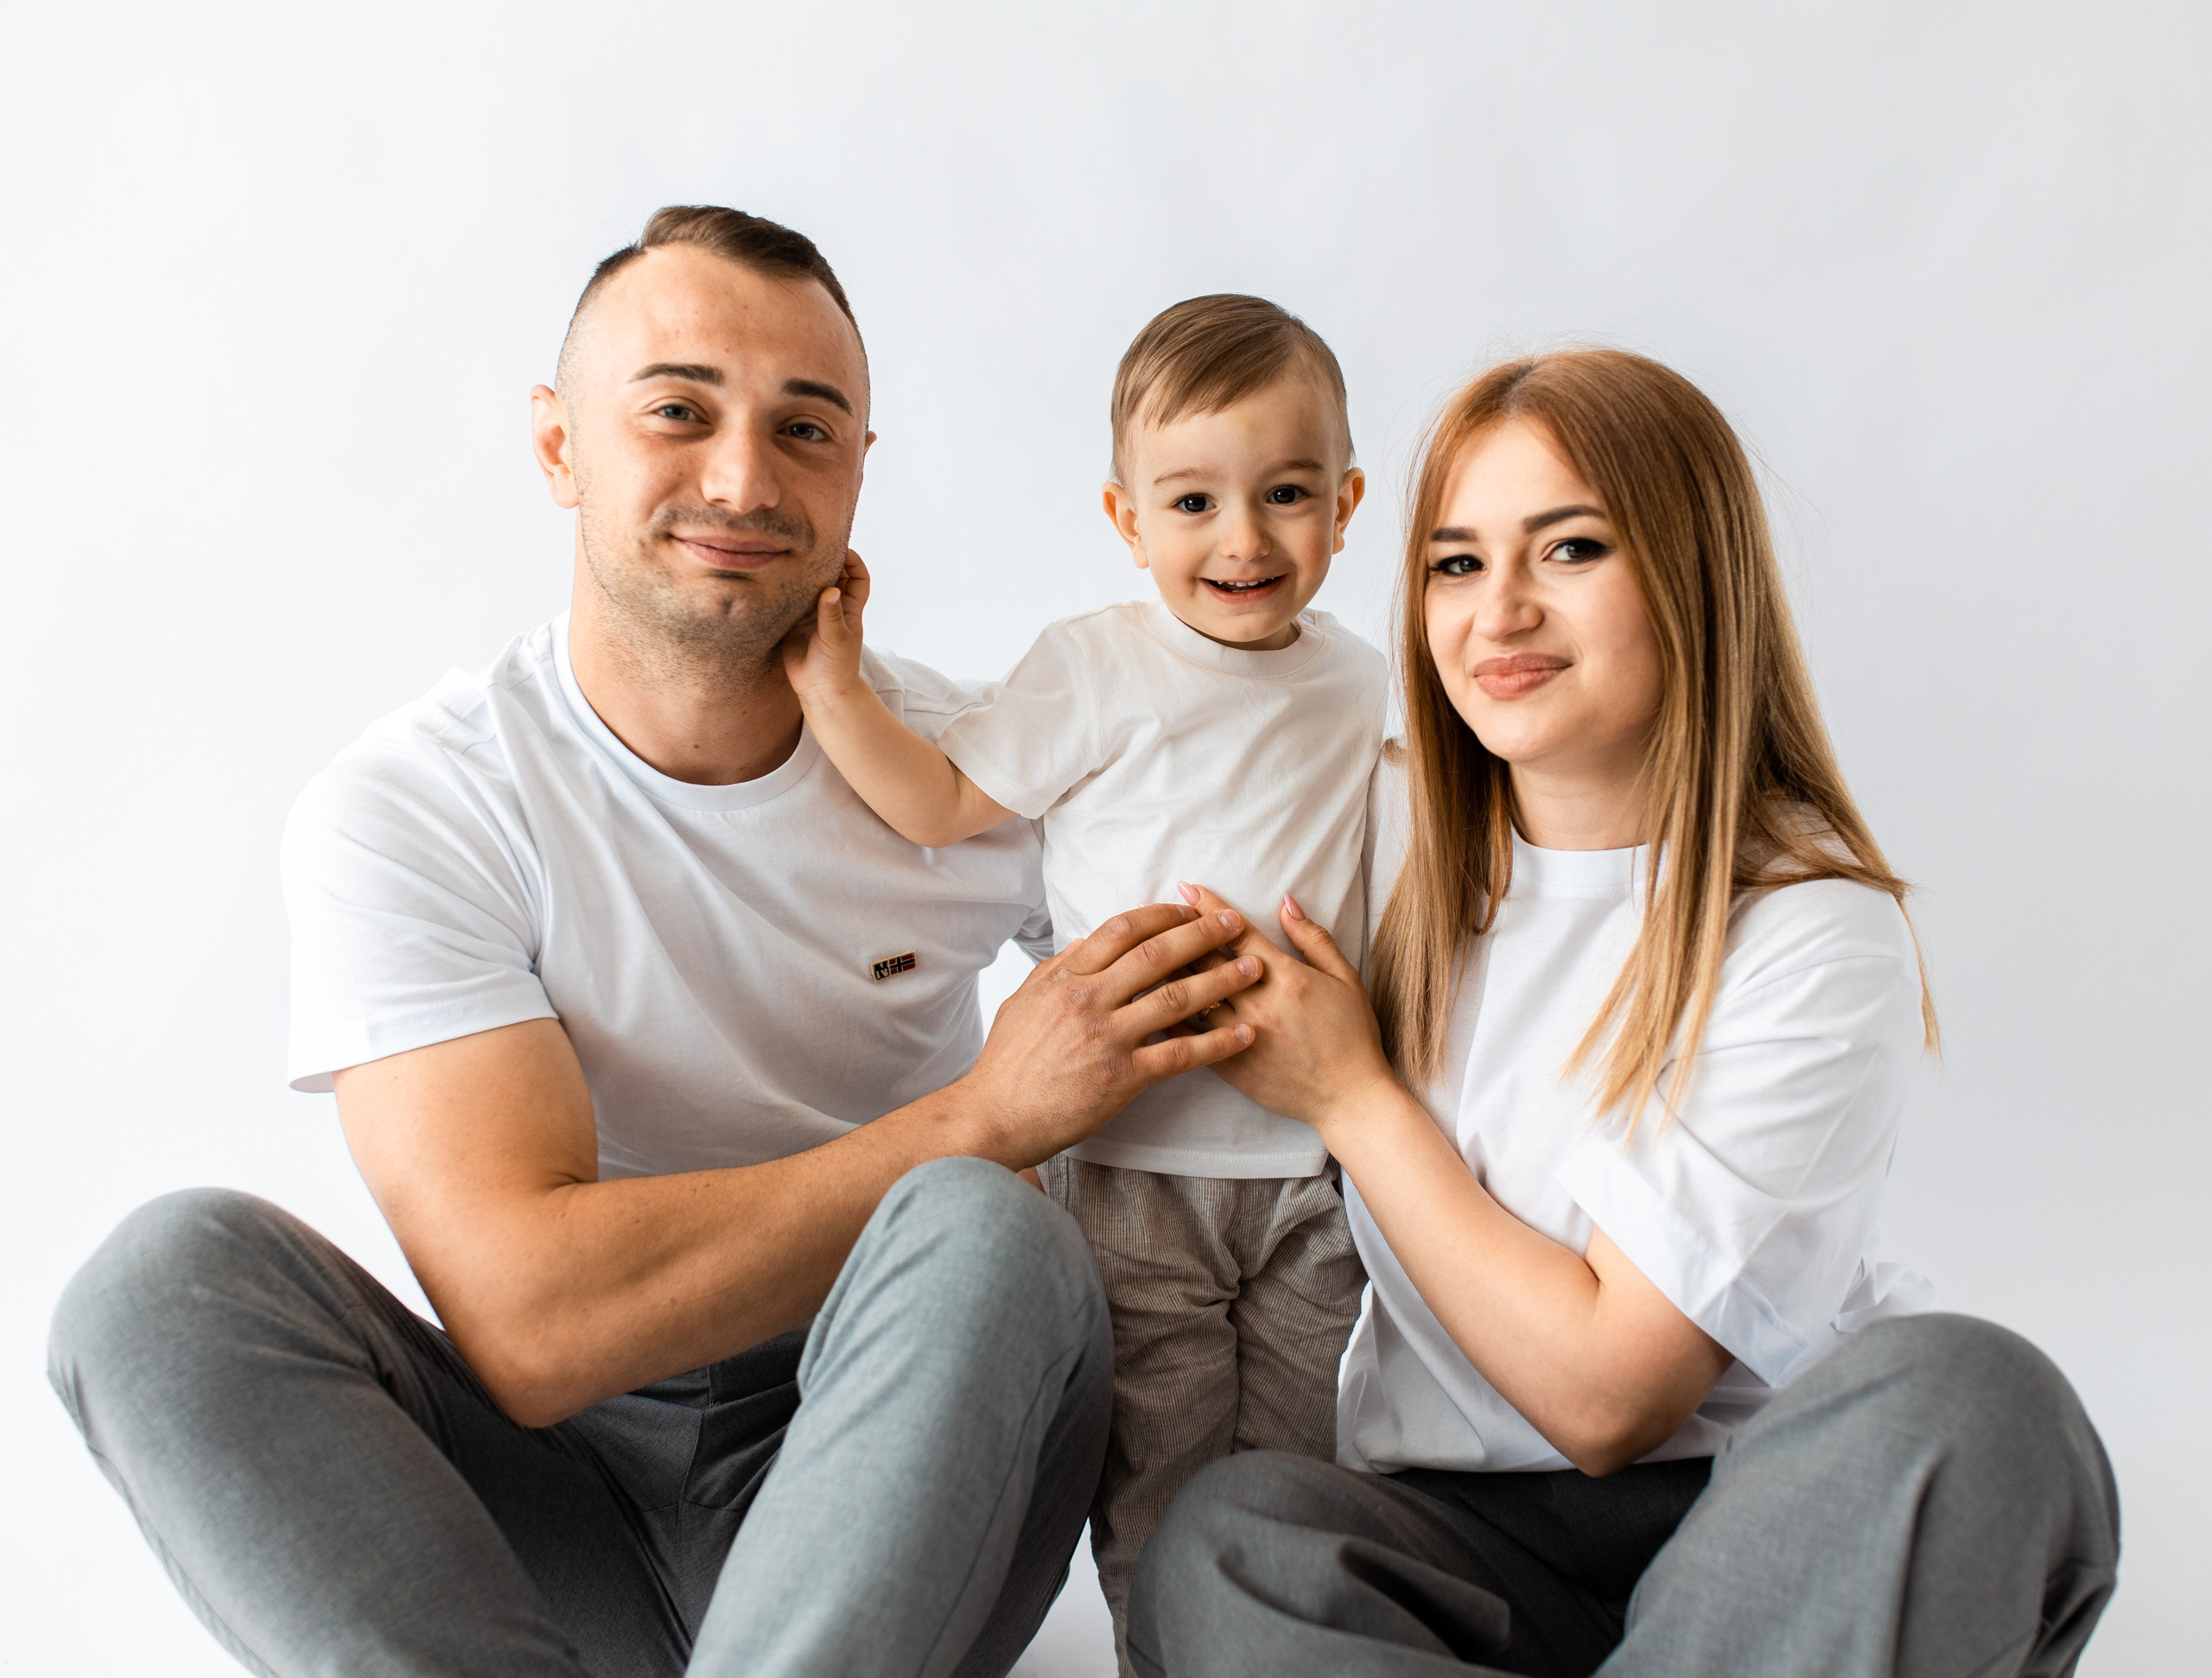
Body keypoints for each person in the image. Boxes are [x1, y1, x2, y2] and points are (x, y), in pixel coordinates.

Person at [44, 205, 1271, 1678]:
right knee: (163, 1281)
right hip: (552, 1493)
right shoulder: (422, 804)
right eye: (679, 412)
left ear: (858, 475)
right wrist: (981, 1115)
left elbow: (1290, 1005)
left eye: (806, 429)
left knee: (990, 1228)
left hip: (896, 1437)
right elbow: (529, 1326)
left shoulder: (984, 769)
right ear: (562, 447)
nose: (744, 476)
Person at [1126, 348, 2120, 1676]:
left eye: (1572, 548)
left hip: (1760, 1510)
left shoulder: (1809, 929)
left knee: (1979, 1400)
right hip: (1459, 1541)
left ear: (1692, 575)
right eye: (1457, 563)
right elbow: (1093, 791)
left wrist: (1353, 1096)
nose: (1502, 611)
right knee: (1230, 1536)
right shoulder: (1379, 843)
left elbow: (1610, 1394)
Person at [784, 293, 1383, 1662]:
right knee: (1162, 1479)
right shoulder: (1099, 666)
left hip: (1310, 1169)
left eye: (1286, 494)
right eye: (1193, 502)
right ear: (1127, 520)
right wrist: (834, 696)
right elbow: (941, 800)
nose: (1243, 539)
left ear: (1346, 505)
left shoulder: (1364, 685)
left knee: (1310, 1474)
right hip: (1131, 1163)